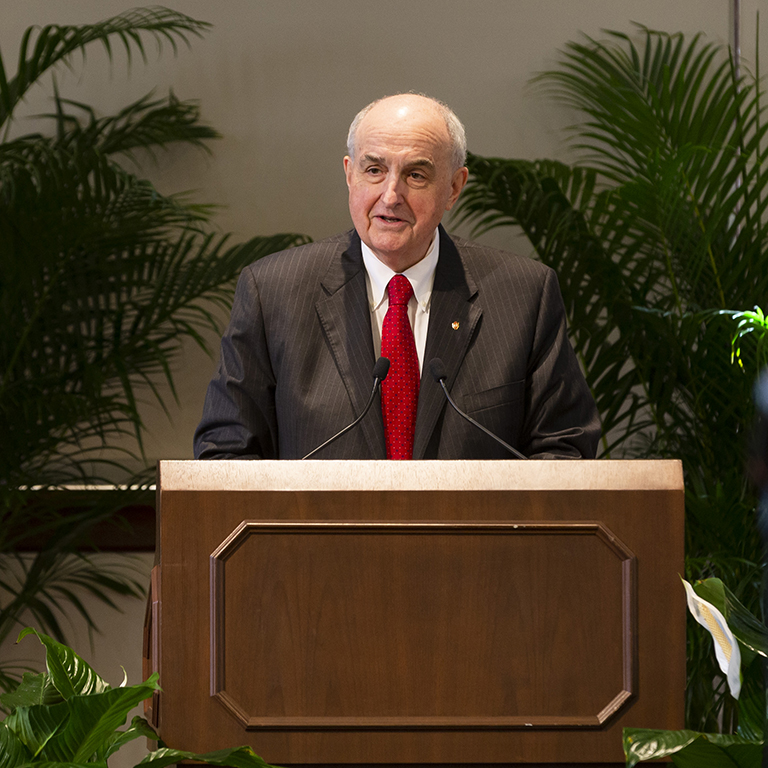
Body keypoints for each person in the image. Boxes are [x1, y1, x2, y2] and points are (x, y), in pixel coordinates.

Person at [194, 94, 600, 460]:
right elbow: (226, 453)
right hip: (321, 543)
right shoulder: (273, 292)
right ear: (350, 174)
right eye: (374, 170)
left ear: (454, 188)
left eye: (416, 175)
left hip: (472, 543)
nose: (391, 196)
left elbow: (564, 449)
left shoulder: (523, 295)